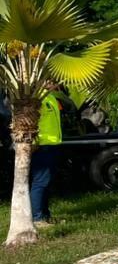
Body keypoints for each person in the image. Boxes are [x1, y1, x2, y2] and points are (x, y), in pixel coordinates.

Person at [30, 85, 65, 227]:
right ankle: (37, 218)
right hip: (42, 145)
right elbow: (30, 122)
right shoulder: (38, 99)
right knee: (40, 182)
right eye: (51, 80)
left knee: (47, 182)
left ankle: (45, 216)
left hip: (53, 144)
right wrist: (33, 142)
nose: (55, 83)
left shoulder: (51, 97)